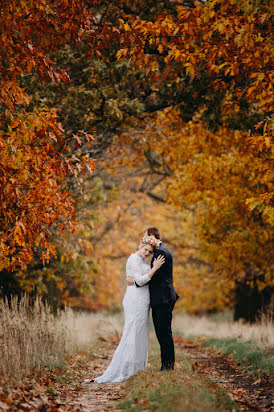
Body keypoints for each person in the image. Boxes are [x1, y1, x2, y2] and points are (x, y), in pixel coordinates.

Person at [84, 236, 165, 383]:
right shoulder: (133, 259)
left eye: (150, 252)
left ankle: (137, 368)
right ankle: (125, 370)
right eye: (146, 250)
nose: (147, 253)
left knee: (140, 332)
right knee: (132, 332)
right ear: (140, 245)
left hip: (142, 300)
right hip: (135, 300)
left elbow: (137, 279)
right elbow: (139, 281)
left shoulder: (141, 260)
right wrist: (155, 268)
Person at [128, 227, 179, 370]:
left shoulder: (161, 252)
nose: (144, 240)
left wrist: (136, 281)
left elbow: (154, 276)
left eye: (145, 236)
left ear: (151, 236)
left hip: (162, 299)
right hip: (163, 298)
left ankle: (168, 366)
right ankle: (167, 365)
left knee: (164, 333)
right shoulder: (162, 250)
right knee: (163, 332)